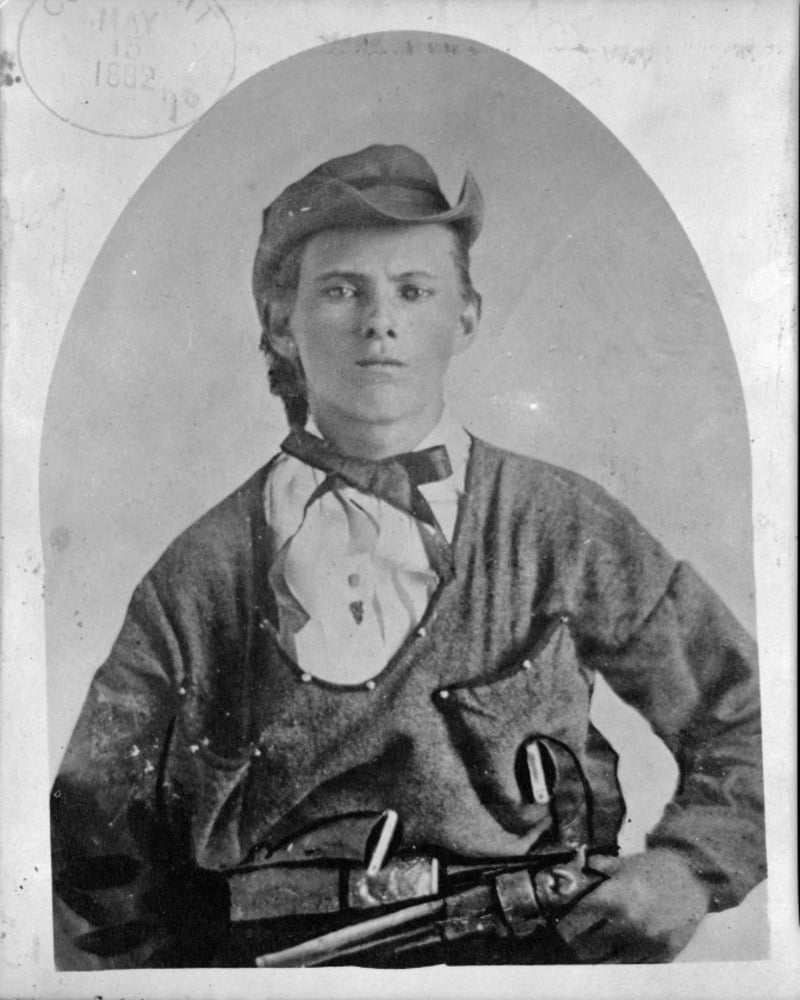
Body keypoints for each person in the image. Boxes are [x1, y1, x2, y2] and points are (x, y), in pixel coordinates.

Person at [50, 144, 766, 969]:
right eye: (341, 289)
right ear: (282, 323)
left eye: (414, 291)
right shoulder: (201, 574)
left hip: (524, 968)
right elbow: (92, 829)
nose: (378, 321)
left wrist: (689, 868)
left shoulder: (560, 525)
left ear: (465, 316)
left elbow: (748, 713)